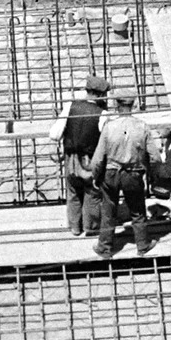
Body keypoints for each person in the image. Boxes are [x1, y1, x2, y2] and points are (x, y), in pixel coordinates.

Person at [91, 87, 157, 258]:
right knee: (137, 211)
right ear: (133, 104)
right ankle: (142, 245)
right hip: (133, 174)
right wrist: (148, 171)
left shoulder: (109, 127)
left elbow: (98, 159)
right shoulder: (142, 127)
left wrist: (96, 176)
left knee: (108, 211)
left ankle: (105, 248)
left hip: (111, 174)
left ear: (116, 104)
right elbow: (155, 156)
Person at [60, 75, 109, 236]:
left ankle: (75, 227)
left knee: (73, 192)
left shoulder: (70, 106)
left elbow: (54, 134)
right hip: (90, 158)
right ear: (100, 94)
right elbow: (106, 140)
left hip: (71, 157)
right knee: (92, 192)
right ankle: (91, 228)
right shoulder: (102, 114)